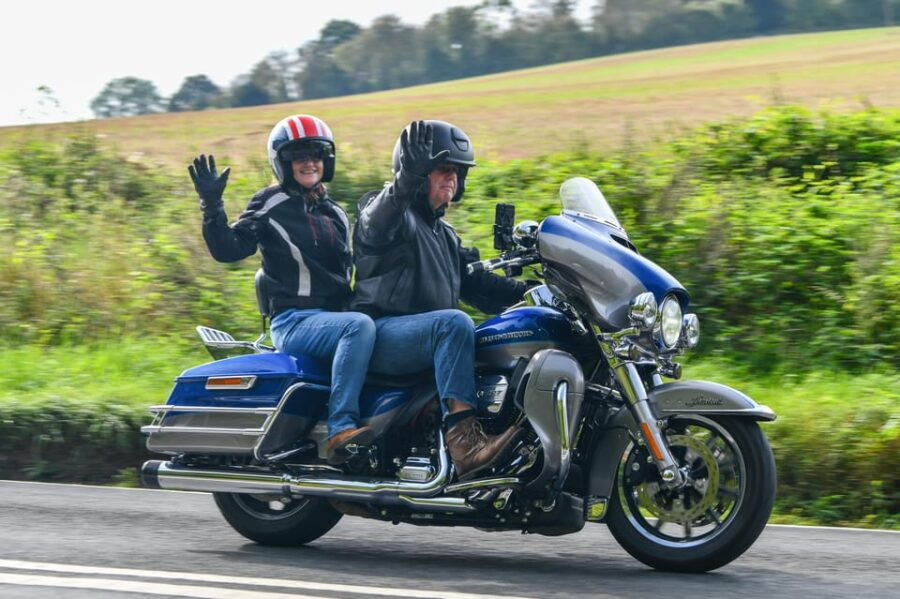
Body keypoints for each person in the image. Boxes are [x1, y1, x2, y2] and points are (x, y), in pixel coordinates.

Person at [189, 114, 375, 465]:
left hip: (334, 322)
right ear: (283, 163)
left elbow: (350, 274)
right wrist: (212, 206)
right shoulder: (270, 203)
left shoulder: (336, 212)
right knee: (359, 326)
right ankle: (340, 429)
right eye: (298, 156)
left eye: (317, 154)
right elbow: (229, 249)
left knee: (377, 325)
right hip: (295, 321)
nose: (309, 163)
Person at [353, 120, 528, 480]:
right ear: (417, 173)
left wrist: (535, 293)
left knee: (501, 334)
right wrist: (404, 182)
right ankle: (464, 442)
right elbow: (375, 221)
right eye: (442, 170)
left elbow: (478, 285)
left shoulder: (444, 234)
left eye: (457, 172)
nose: (451, 178)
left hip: (421, 339)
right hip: (382, 335)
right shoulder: (388, 214)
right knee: (454, 322)